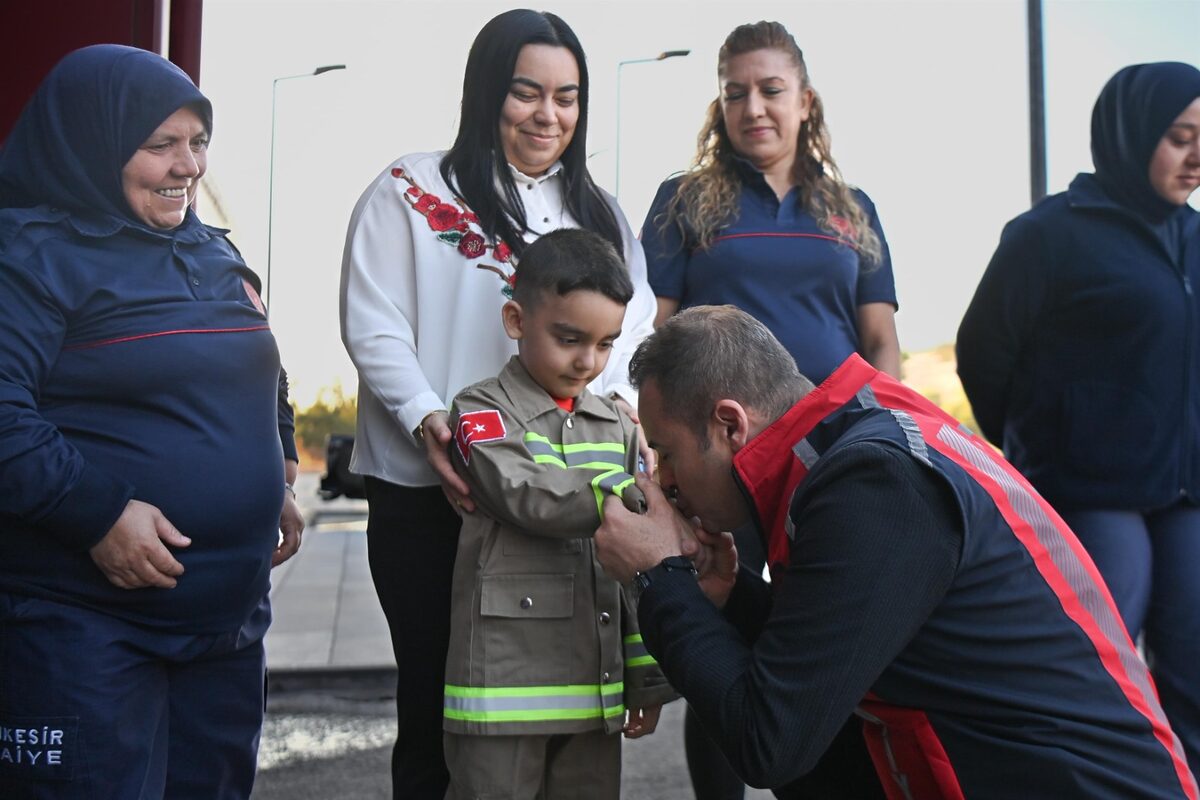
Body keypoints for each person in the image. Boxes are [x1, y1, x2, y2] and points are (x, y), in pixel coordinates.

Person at [593, 305, 1198, 799]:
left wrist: (659, 576)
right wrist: (728, 596)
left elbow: (772, 742)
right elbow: (822, 663)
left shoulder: (873, 482)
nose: (664, 480)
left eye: (668, 453)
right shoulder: (864, 436)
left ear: (731, 425)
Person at [338, 10, 656, 798]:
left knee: (565, 706)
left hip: (566, 496)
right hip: (431, 492)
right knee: (438, 707)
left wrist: (624, 425)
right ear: (487, 93)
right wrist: (428, 417)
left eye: (568, 97)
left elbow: (634, 330)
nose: (548, 115)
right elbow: (374, 322)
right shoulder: (409, 191)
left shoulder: (604, 215)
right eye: (526, 93)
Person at [0, 45, 303, 799]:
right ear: (92, 145)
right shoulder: (30, 258)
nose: (188, 166)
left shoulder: (211, 250)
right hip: (86, 628)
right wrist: (98, 515)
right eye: (159, 145)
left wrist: (281, 466)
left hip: (227, 628)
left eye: (197, 143)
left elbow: (261, 367)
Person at [638, 21, 898, 797]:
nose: (753, 106)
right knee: (721, 628)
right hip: (724, 456)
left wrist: (886, 438)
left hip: (836, 460)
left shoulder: (853, 209)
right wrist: (666, 453)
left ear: (806, 101)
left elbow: (881, 341)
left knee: (819, 645)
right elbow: (655, 335)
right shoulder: (683, 201)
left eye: (771, 89)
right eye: (735, 92)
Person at [956, 62, 1200, 770]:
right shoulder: (1050, 235)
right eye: (1179, 137)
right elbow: (985, 352)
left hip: (1188, 495)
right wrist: (1039, 446)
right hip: (1090, 492)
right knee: (1098, 675)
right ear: (1132, 134)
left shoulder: (1196, 239)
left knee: (1193, 674)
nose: (1196, 155)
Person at [442, 228, 675, 799]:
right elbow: (522, 489)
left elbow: (637, 572)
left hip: (594, 694)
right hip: (500, 694)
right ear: (517, 321)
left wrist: (645, 678)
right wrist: (631, 499)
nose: (587, 362)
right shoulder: (479, 410)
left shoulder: (620, 426)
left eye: (605, 344)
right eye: (569, 338)